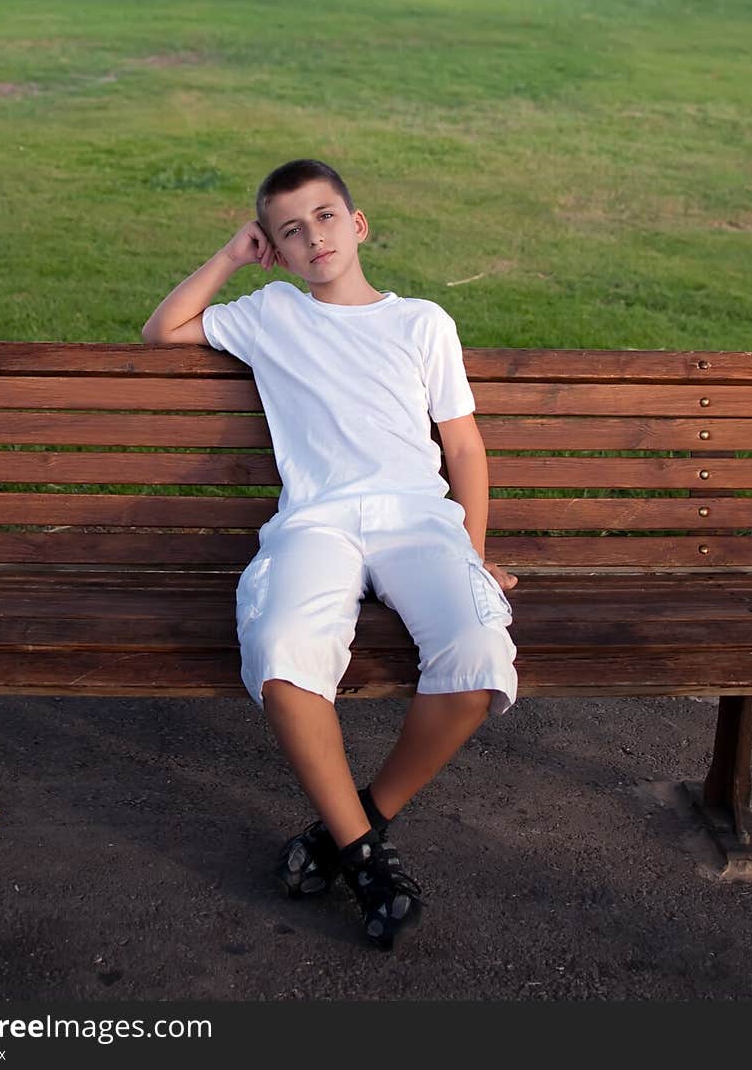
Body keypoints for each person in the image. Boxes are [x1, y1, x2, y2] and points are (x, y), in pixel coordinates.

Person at [141, 159, 518, 951]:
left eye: (324, 217)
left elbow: (464, 447)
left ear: (358, 225)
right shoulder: (272, 313)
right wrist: (230, 257)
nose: (312, 236)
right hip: (319, 521)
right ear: (274, 249)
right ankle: (369, 862)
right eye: (288, 230)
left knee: (479, 656)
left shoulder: (422, 323)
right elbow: (163, 330)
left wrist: (474, 552)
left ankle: (353, 828)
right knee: (282, 651)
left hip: (420, 521)